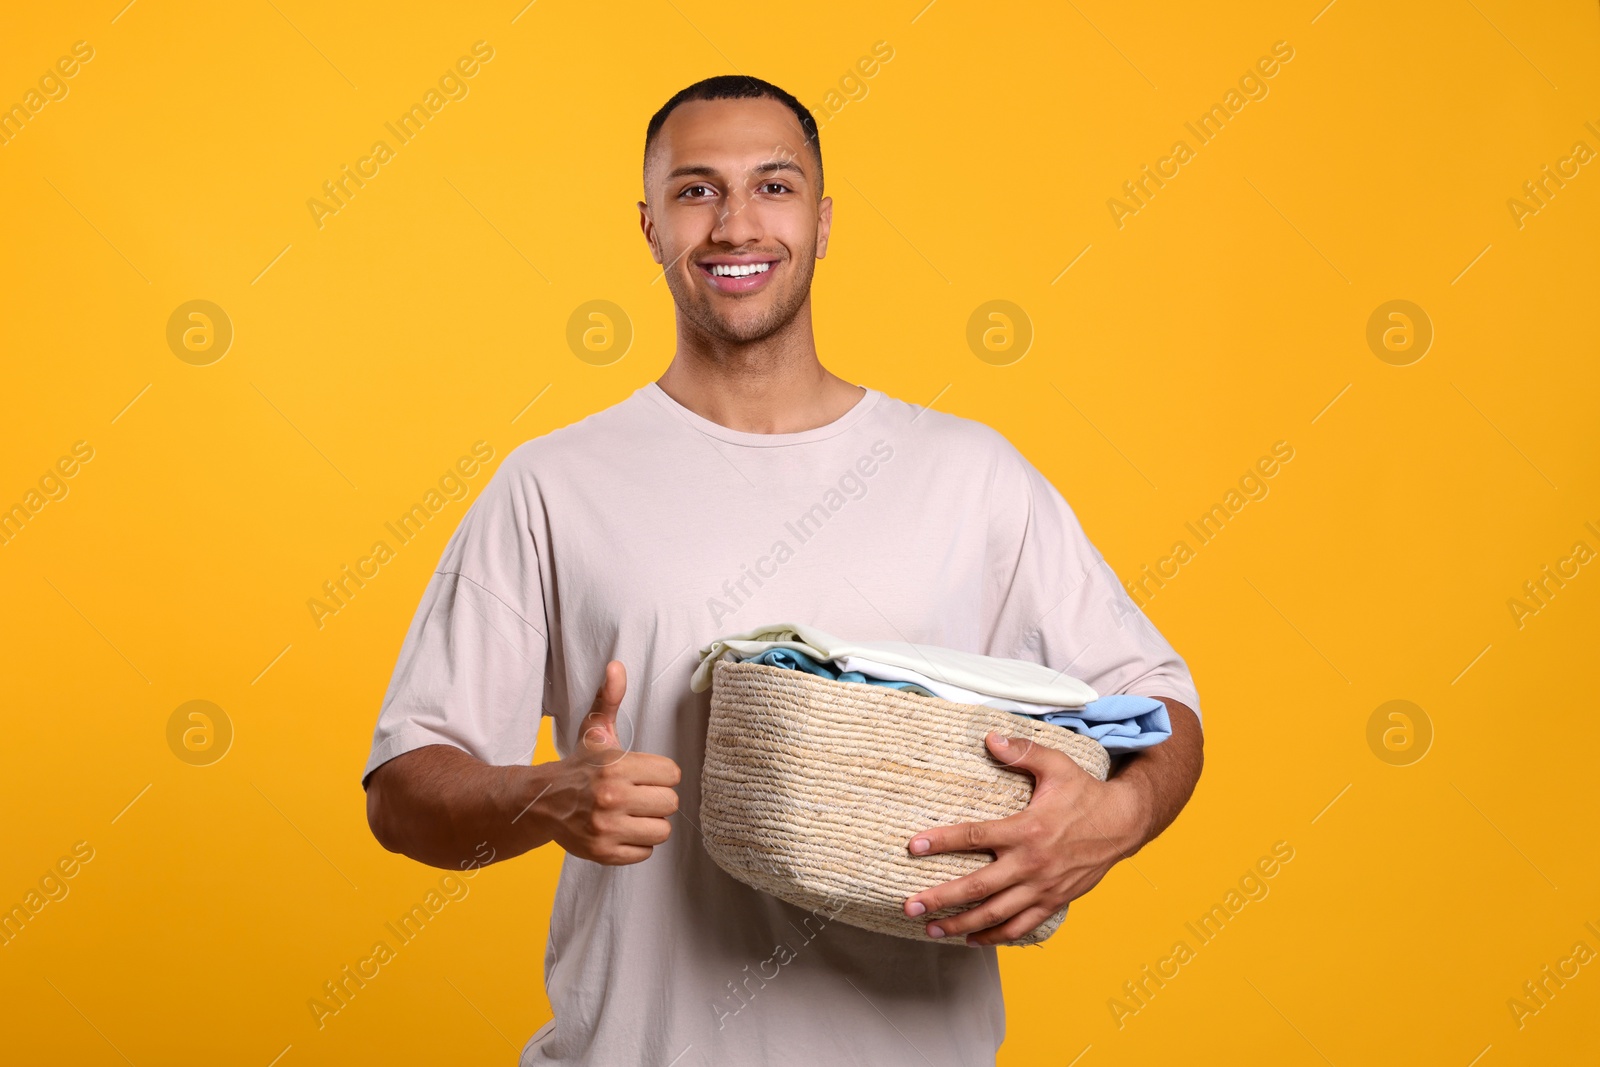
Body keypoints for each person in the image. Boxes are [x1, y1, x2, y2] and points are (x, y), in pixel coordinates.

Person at [361, 74, 1204, 1066]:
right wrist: (546, 793)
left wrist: (1115, 815)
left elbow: (1157, 700)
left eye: (772, 186)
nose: (734, 225)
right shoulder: (552, 484)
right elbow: (404, 789)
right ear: (647, 225)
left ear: (822, 216)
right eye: (694, 190)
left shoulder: (968, 474)